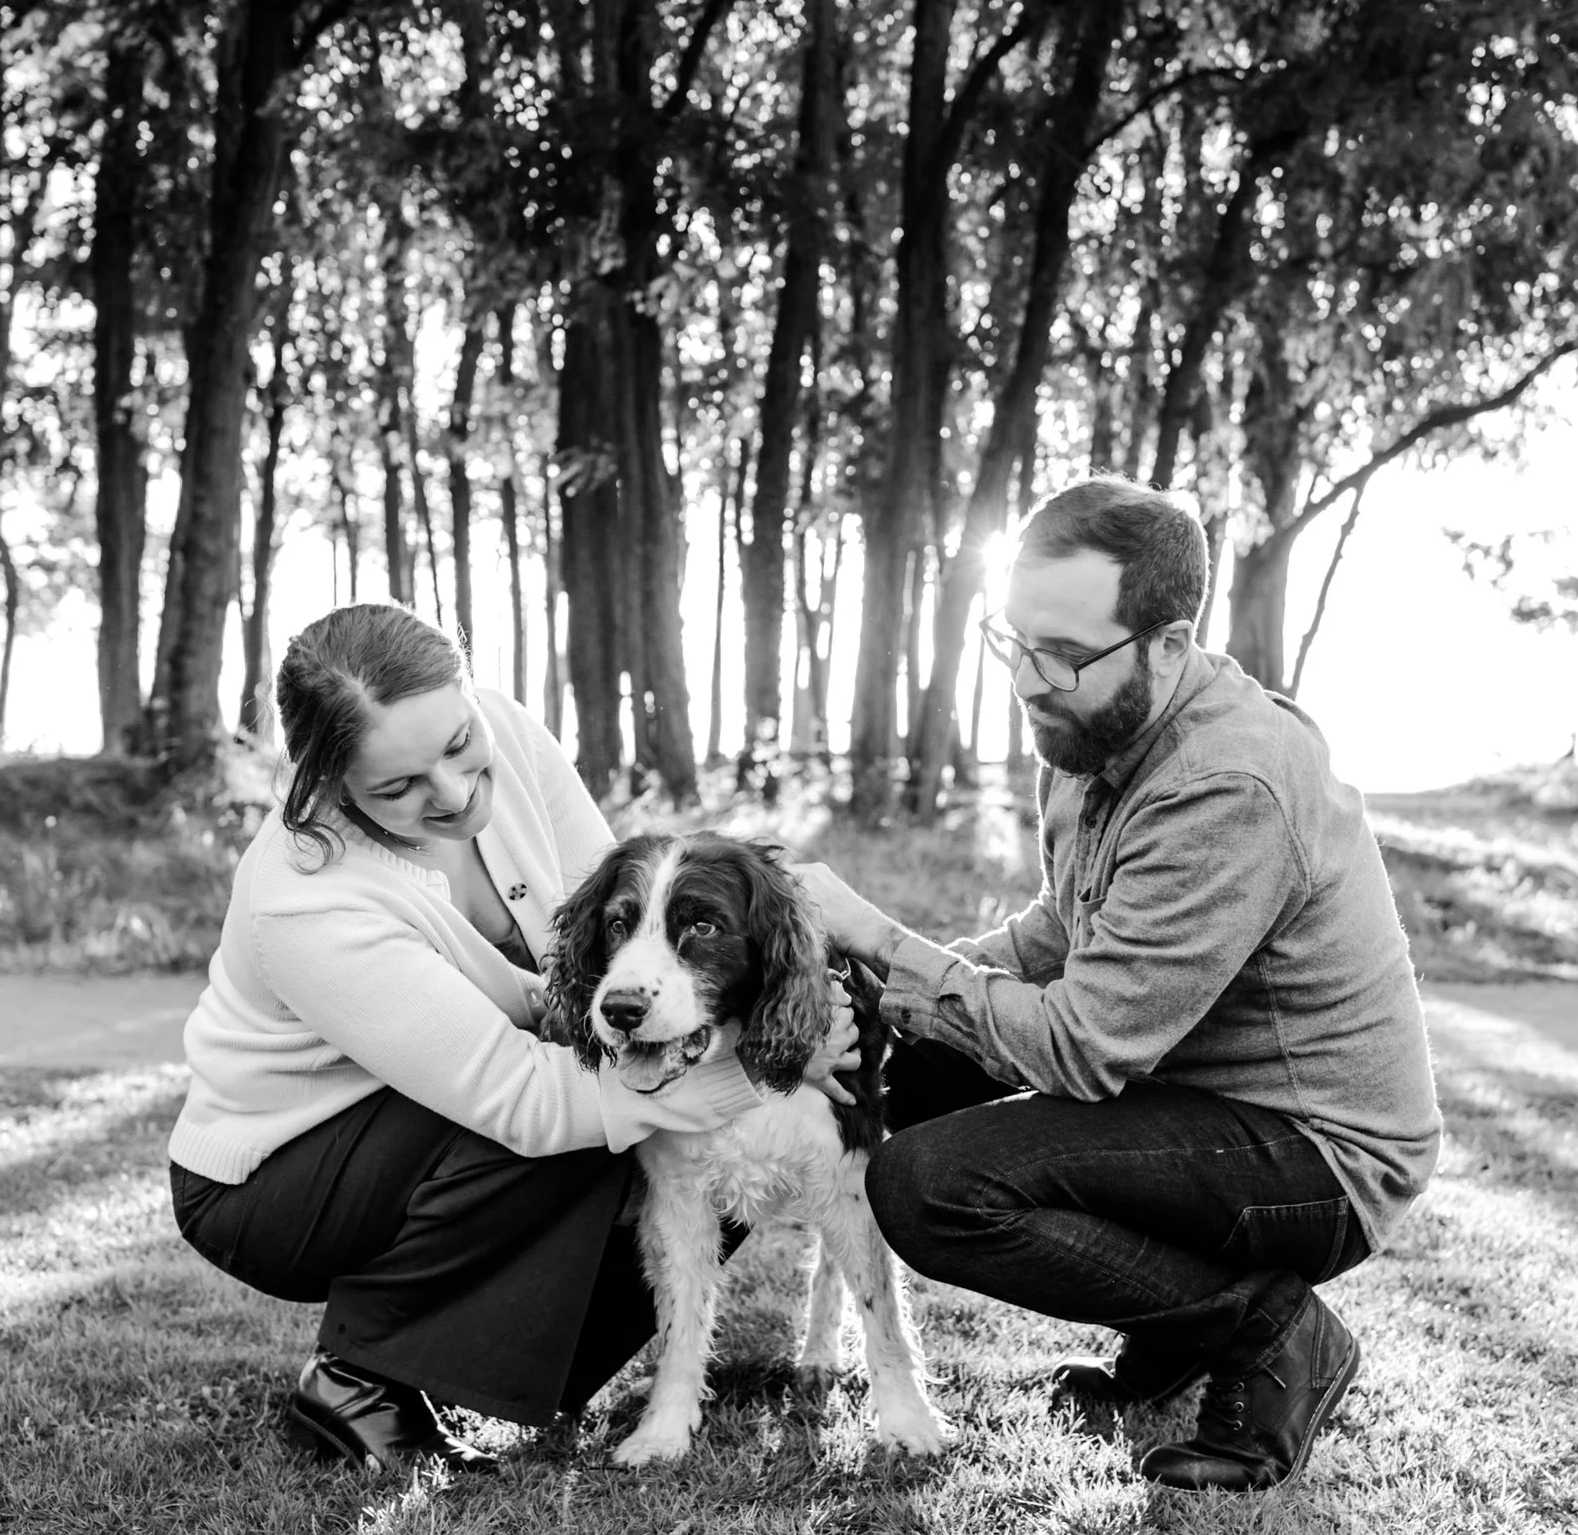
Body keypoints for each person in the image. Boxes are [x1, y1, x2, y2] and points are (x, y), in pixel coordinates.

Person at [793, 476, 1442, 1493]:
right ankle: (1167, 1338)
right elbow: (1058, 934)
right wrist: (876, 992)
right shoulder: (1092, 727)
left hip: (1314, 1153)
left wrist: (881, 935)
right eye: (1013, 641)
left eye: (1063, 653)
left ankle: (1270, 1331)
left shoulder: (1230, 782)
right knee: (884, 1068)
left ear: (1169, 646)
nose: (1027, 680)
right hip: (1185, 1108)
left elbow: (1082, 1044)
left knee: (932, 1185)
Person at [167, 603, 857, 1474]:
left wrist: (755, 1016)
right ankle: (359, 1375)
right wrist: (761, 1071)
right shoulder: (304, 902)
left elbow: (618, 941)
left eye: (458, 746)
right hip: (281, 1176)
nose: (454, 796)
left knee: (644, 1112)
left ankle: (524, 1360)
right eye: (397, 788)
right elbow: (527, 1101)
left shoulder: (509, 731)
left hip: (420, 1110)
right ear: (326, 782)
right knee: (585, 1113)